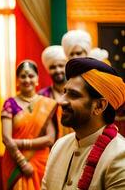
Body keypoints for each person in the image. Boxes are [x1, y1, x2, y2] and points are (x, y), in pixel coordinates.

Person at [42, 57, 125, 189]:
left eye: (73, 95)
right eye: (64, 92)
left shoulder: (120, 155)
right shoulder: (59, 147)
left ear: (99, 106)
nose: (61, 101)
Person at [1, 60, 58, 190]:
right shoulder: (10, 104)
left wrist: (20, 143)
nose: (27, 79)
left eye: (31, 76)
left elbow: (50, 139)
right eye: (23, 76)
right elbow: (6, 138)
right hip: (15, 162)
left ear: (37, 78)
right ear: (17, 80)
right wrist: (22, 162)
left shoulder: (47, 104)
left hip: (40, 161)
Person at [39, 45, 72, 137]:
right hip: (52, 147)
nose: (58, 70)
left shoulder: (76, 92)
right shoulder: (43, 96)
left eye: (61, 65)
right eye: (53, 67)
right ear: (47, 70)